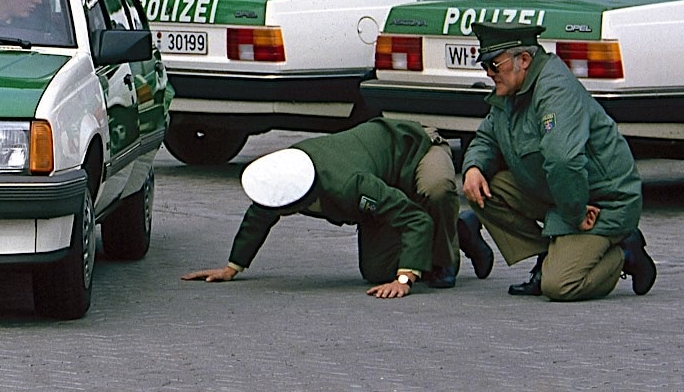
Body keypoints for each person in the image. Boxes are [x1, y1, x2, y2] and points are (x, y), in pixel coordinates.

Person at [456, 22, 656, 300]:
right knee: (485, 188)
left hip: (602, 203)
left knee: (560, 286)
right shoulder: (513, 90)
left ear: (523, 60)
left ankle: (626, 252)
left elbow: (564, 161)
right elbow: (487, 138)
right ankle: (550, 257)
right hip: (562, 194)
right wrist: (473, 168)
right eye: (484, 66)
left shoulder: (555, 90)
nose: (489, 74)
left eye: (493, 65)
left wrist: (574, 216)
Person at [183, 117, 460, 298]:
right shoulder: (288, 174)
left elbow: (414, 220)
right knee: (376, 272)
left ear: (298, 204)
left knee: (437, 192)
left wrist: (404, 278)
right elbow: (259, 215)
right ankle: (453, 232)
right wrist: (232, 267)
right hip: (383, 182)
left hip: (415, 146)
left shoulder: (349, 185)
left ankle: (448, 253)